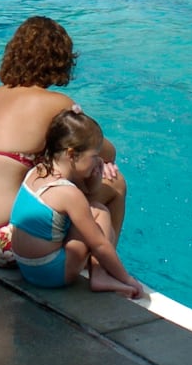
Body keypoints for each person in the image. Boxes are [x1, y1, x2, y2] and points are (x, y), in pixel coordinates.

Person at [0, 16, 125, 267]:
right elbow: (107, 150)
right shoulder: (56, 103)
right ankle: (105, 269)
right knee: (116, 183)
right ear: (60, 60)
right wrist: (99, 162)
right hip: (7, 244)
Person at [10, 109, 143, 298]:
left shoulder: (38, 171)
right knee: (100, 212)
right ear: (71, 155)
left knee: (85, 213)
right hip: (51, 273)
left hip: (26, 267)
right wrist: (127, 279)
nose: (99, 160)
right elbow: (100, 245)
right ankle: (100, 275)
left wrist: (95, 177)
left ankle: (100, 273)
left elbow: (86, 191)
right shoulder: (69, 194)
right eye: (94, 156)